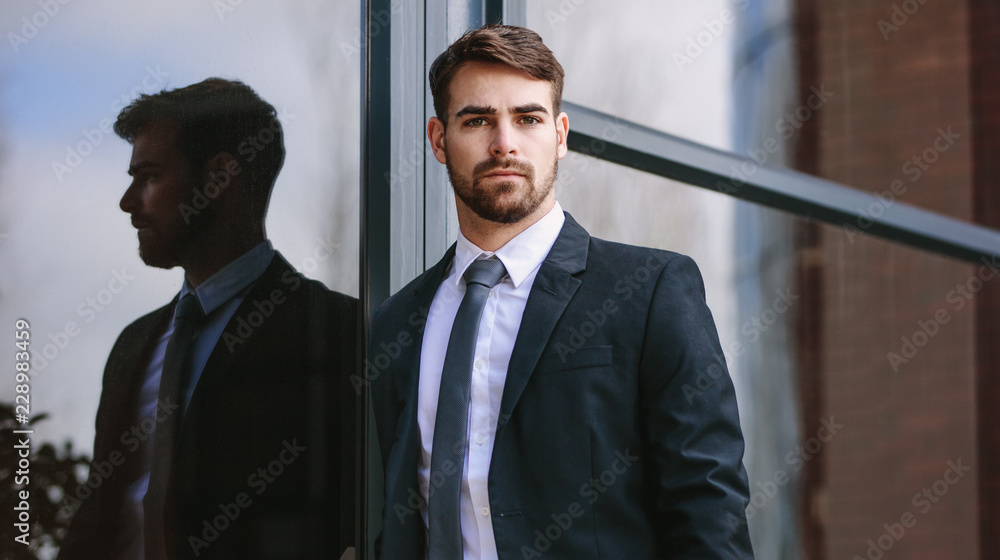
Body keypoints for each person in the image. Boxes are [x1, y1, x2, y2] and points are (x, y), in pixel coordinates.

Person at [370, 24, 754, 559]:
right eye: (477, 119)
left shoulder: (650, 292)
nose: (504, 142)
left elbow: (707, 506)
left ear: (560, 135)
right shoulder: (396, 323)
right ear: (439, 139)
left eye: (528, 118)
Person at [58, 78, 357, 560]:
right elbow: (98, 523)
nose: (128, 202)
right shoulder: (132, 347)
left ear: (218, 176)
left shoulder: (340, 334)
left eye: (148, 176)